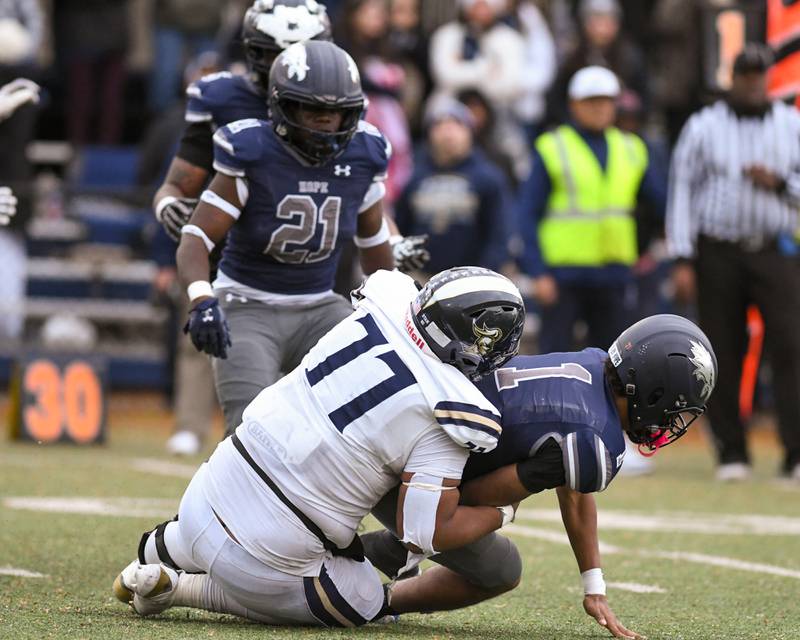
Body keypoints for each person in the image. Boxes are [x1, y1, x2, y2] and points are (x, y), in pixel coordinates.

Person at [112, 266, 526, 627]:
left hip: (207, 492)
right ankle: (182, 590)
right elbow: (424, 533)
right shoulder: (450, 412)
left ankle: (160, 551)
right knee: (363, 598)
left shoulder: (378, 308)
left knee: (225, 523)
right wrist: (503, 509)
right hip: (271, 552)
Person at [362, 313, 717, 640]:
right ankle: (373, 597)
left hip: (395, 431)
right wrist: (504, 512)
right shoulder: (595, 437)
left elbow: (574, 490)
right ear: (654, 392)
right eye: (673, 410)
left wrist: (594, 588)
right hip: (405, 471)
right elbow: (479, 495)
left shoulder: (593, 365)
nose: (669, 423)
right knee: (501, 568)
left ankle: (374, 550)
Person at [178, 40, 401, 436]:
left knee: (373, 408)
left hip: (320, 307)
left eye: (336, 112)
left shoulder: (364, 155)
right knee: (252, 429)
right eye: (313, 110)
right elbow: (196, 236)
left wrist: (396, 311)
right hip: (247, 305)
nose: (326, 122)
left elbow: (374, 245)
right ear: (284, 107)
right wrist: (202, 299)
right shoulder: (252, 150)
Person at [667, 43, 800, 482]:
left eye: (759, 76)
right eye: (745, 76)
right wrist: (682, 256)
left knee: (790, 346)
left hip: (774, 249)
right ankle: (731, 451)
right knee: (721, 349)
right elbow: (682, 190)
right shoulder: (704, 126)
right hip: (717, 251)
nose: (752, 84)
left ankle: (795, 453)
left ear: (768, 79)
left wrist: (781, 183)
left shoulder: (790, 124)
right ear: (733, 80)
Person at [518, 66, 666, 354]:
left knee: (614, 359)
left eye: (606, 101)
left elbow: (658, 204)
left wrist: (648, 251)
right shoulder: (553, 147)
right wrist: (537, 272)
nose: (599, 108)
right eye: (591, 101)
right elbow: (527, 213)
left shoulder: (632, 148)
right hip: (562, 275)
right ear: (574, 104)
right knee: (555, 357)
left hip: (614, 274)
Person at [394, 97, 514, 277]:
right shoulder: (415, 177)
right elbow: (401, 228)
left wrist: (483, 274)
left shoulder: (488, 178)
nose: (447, 132)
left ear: (470, 132)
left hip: (472, 278)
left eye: (456, 124)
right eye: (439, 125)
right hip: (421, 278)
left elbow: (500, 234)